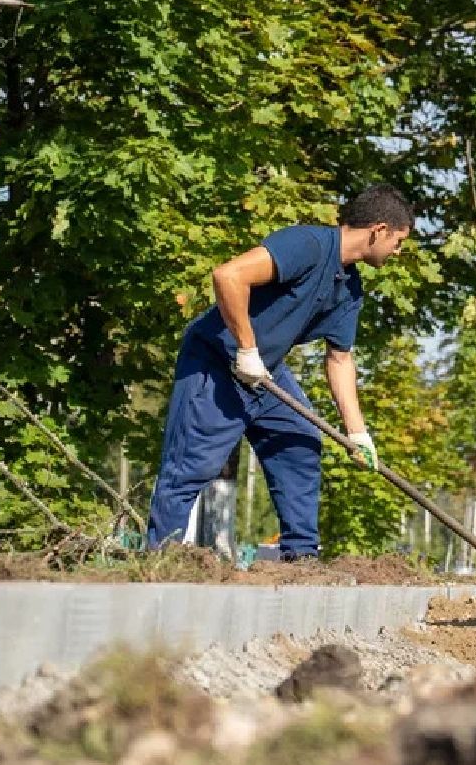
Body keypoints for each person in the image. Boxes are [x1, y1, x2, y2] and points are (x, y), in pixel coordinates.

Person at [146, 185, 414, 560]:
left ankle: (301, 558)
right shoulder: (308, 245)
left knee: (300, 442)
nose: (398, 252)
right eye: (399, 241)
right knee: (194, 463)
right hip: (217, 361)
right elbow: (228, 276)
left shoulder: (349, 289)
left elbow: (339, 360)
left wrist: (358, 433)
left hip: (263, 373)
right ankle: (161, 560)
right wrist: (246, 349)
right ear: (379, 229)